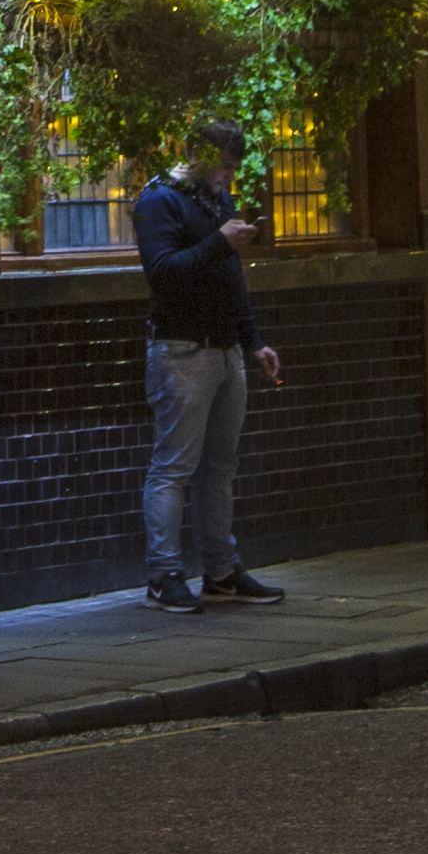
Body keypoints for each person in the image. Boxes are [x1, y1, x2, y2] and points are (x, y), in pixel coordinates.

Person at [132, 116, 284, 609]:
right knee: (174, 467)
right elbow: (163, 274)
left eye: (234, 168)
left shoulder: (217, 202)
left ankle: (220, 571)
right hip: (182, 349)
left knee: (219, 467)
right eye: (223, 165)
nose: (229, 177)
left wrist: (253, 340)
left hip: (225, 350)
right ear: (195, 153)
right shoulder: (159, 201)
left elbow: (230, 276)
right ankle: (164, 575)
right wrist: (221, 240)